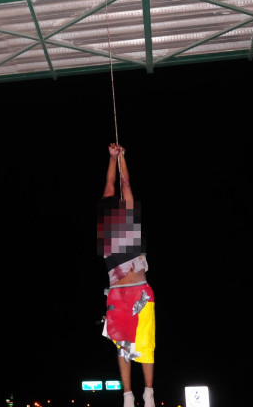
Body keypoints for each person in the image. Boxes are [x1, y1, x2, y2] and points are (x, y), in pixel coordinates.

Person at [97, 143, 155, 407]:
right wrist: (112, 158)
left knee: (145, 344)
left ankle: (149, 392)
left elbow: (125, 183)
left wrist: (121, 158)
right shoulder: (106, 232)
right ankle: (128, 395)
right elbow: (110, 185)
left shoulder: (131, 222)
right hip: (119, 293)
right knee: (123, 346)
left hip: (141, 290)